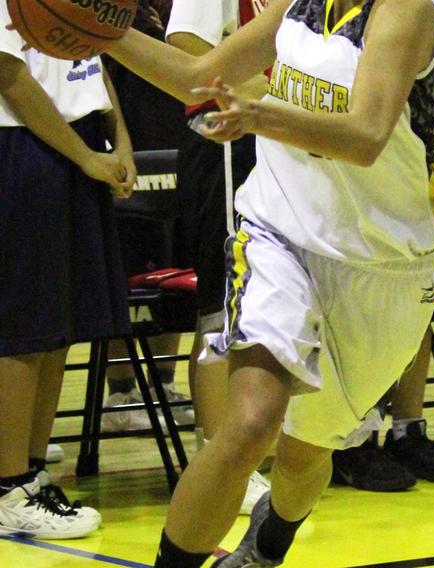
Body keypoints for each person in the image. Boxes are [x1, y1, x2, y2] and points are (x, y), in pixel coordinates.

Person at [101, 0, 434, 564]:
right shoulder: (299, 4)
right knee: (248, 424)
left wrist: (259, 114)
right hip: (279, 231)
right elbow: (200, 75)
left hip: (386, 261)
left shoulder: (407, 11)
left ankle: (269, 542)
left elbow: (366, 136)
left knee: (302, 456)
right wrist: (99, 33)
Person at [330, 0, 434, 493]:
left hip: (425, 161)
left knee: (420, 304)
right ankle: (352, 437)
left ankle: (406, 429)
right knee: (361, 309)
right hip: (363, 152)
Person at [0, 3, 135, 538]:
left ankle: (30, 476)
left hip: (75, 141)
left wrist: (118, 136)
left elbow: (90, 50)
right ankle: (8, 485)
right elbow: (8, 73)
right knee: (22, 326)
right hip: (21, 143)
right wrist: (84, 155)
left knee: (57, 326)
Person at [164, 0, 272, 514]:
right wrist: (262, 102)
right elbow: (184, 41)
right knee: (225, 303)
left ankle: (250, 454)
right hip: (227, 137)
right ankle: (218, 460)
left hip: (275, 137)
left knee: (267, 305)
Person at [100, 0, 195, 436]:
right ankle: (120, 391)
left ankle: (165, 385)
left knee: (175, 256)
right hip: (131, 129)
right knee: (130, 258)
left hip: (185, 127)